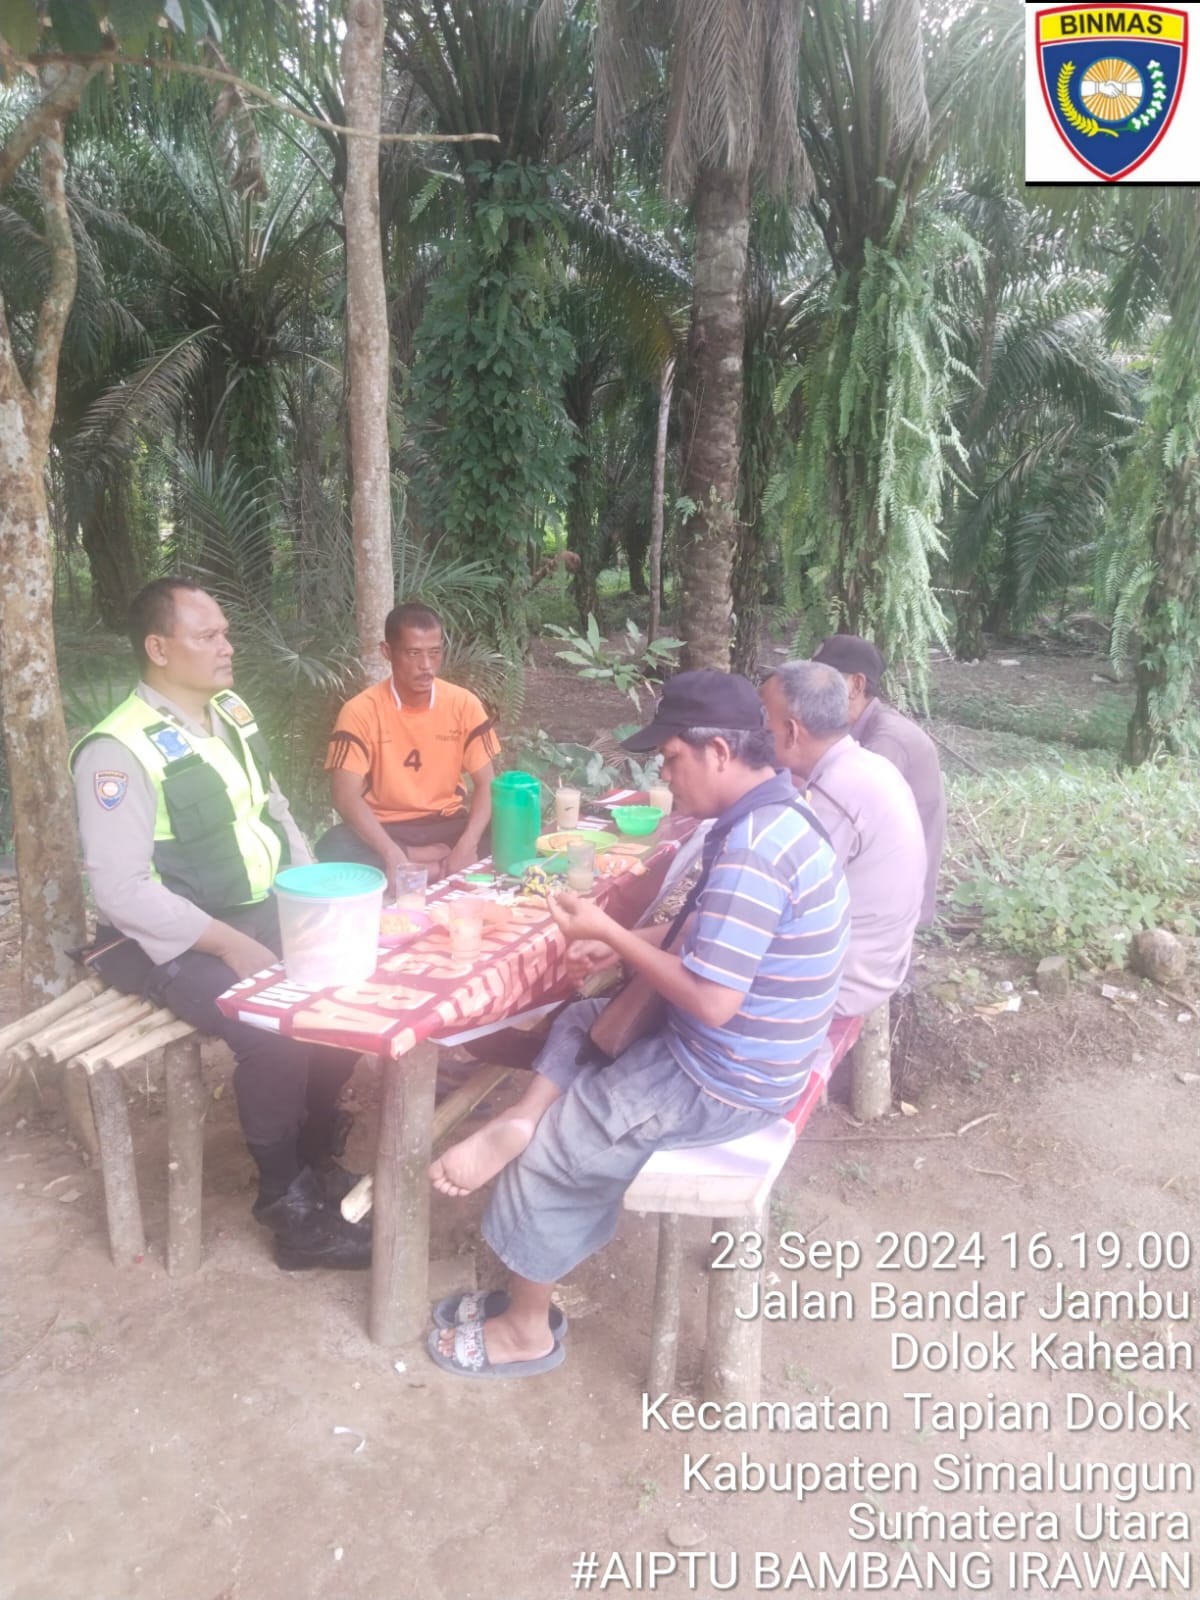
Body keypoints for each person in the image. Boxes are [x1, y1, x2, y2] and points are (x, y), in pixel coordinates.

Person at [425, 671, 849, 1378]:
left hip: (726, 1077)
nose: (665, 775)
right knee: (588, 1018)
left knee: (560, 1149)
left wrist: (615, 937)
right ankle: (521, 1118)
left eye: (671, 759)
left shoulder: (753, 849)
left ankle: (526, 1329)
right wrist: (632, 937)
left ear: (718, 751)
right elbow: (710, 939)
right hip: (744, 1051)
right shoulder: (775, 814)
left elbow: (714, 1001)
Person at [71, 578, 371, 1270]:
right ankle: (287, 1207)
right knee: (269, 1026)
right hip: (163, 937)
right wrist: (230, 944)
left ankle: (315, 1152)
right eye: (208, 636)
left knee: (345, 987)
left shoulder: (229, 712)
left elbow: (274, 808)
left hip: (258, 907)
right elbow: (121, 889)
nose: (226, 647)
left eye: (225, 633)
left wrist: (310, 893)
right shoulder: (116, 751)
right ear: (158, 648)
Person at [760, 662, 925, 1016]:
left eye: (764, 723)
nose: (759, 734)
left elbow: (781, 900)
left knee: (706, 972)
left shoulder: (834, 793)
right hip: (880, 962)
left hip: (845, 982)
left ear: (790, 732)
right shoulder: (867, 765)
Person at [315, 602, 500, 886]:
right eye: (413, 653)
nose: (426, 666)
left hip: (446, 823)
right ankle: (431, 866)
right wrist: (391, 853)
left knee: (509, 825)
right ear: (387, 652)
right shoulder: (360, 711)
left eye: (434, 653)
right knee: (334, 846)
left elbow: (487, 784)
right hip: (387, 829)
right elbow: (345, 796)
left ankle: (425, 867)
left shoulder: (463, 704)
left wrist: (468, 843)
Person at [811, 634, 946, 925]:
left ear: (856, 686)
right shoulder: (862, 729)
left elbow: (848, 813)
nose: (811, 690)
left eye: (823, 680)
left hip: (889, 902)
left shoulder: (887, 740)